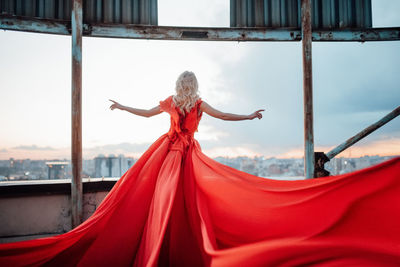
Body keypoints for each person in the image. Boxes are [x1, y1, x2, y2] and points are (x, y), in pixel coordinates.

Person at [0, 71, 399, 267]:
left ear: (179, 84)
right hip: (186, 155)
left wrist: (122, 107)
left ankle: (162, 249)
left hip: (168, 155)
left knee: (165, 200)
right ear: (193, 85)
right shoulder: (197, 103)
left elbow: (144, 114)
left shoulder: (170, 102)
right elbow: (223, 115)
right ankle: (172, 248)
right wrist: (250, 116)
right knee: (183, 201)